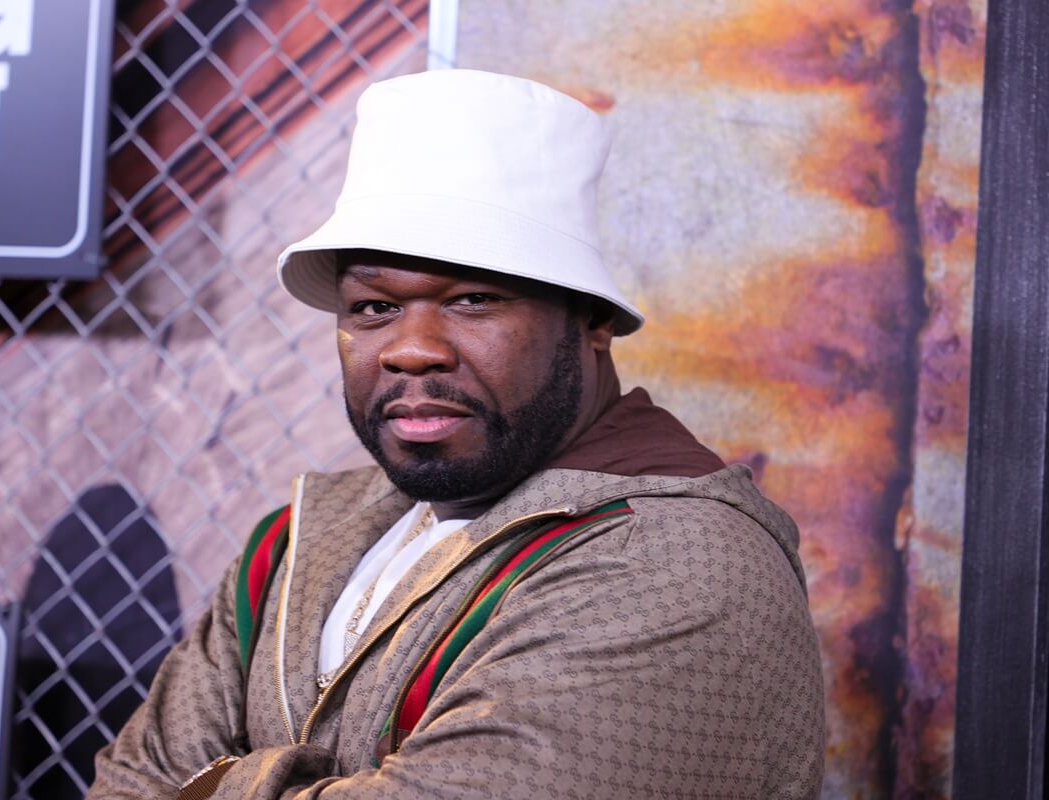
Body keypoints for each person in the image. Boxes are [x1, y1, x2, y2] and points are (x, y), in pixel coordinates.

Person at [88, 68, 824, 800]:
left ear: (592, 320)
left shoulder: (673, 562)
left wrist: (229, 781)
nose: (412, 348)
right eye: (374, 308)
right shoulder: (304, 536)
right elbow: (129, 783)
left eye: (473, 299)